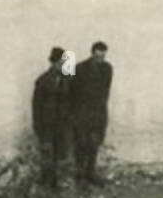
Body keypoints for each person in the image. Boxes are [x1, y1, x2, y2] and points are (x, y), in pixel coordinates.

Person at [71, 42, 112, 186]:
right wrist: (75, 115)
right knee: (81, 144)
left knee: (94, 144)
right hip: (82, 113)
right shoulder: (80, 69)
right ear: (92, 53)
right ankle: (79, 176)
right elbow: (72, 93)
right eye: (98, 56)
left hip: (98, 112)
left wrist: (102, 112)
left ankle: (90, 173)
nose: (100, 59)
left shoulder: (107, 69)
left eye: (103, 56)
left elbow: (106, 91)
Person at [33, 47, 74, 189]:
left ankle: (57, 183)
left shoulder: (68, 80)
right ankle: (45, 183)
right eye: (60, 62)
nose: (62, 65)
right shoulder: (42, 81)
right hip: (47, 125)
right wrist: (38, 128)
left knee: (61, 155)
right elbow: (36, 107)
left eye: (64, 62)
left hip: (62, 125)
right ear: (53, 62)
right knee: (47, 155)